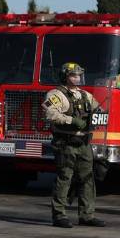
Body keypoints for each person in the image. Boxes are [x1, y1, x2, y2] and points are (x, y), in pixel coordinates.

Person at [43, 63, 106, 229]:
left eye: (79, 75)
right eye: (73, 75)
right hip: (66, 143)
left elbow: (100, 110)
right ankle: (59, 215)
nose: (77, 78)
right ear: (65, 76)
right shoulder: (56, 95)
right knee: (65, 178)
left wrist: (99, 116)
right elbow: (51, 114)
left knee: (87, 179)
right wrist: (72, 121)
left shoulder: (85, 95)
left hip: (84, 143)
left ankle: (87, 215)